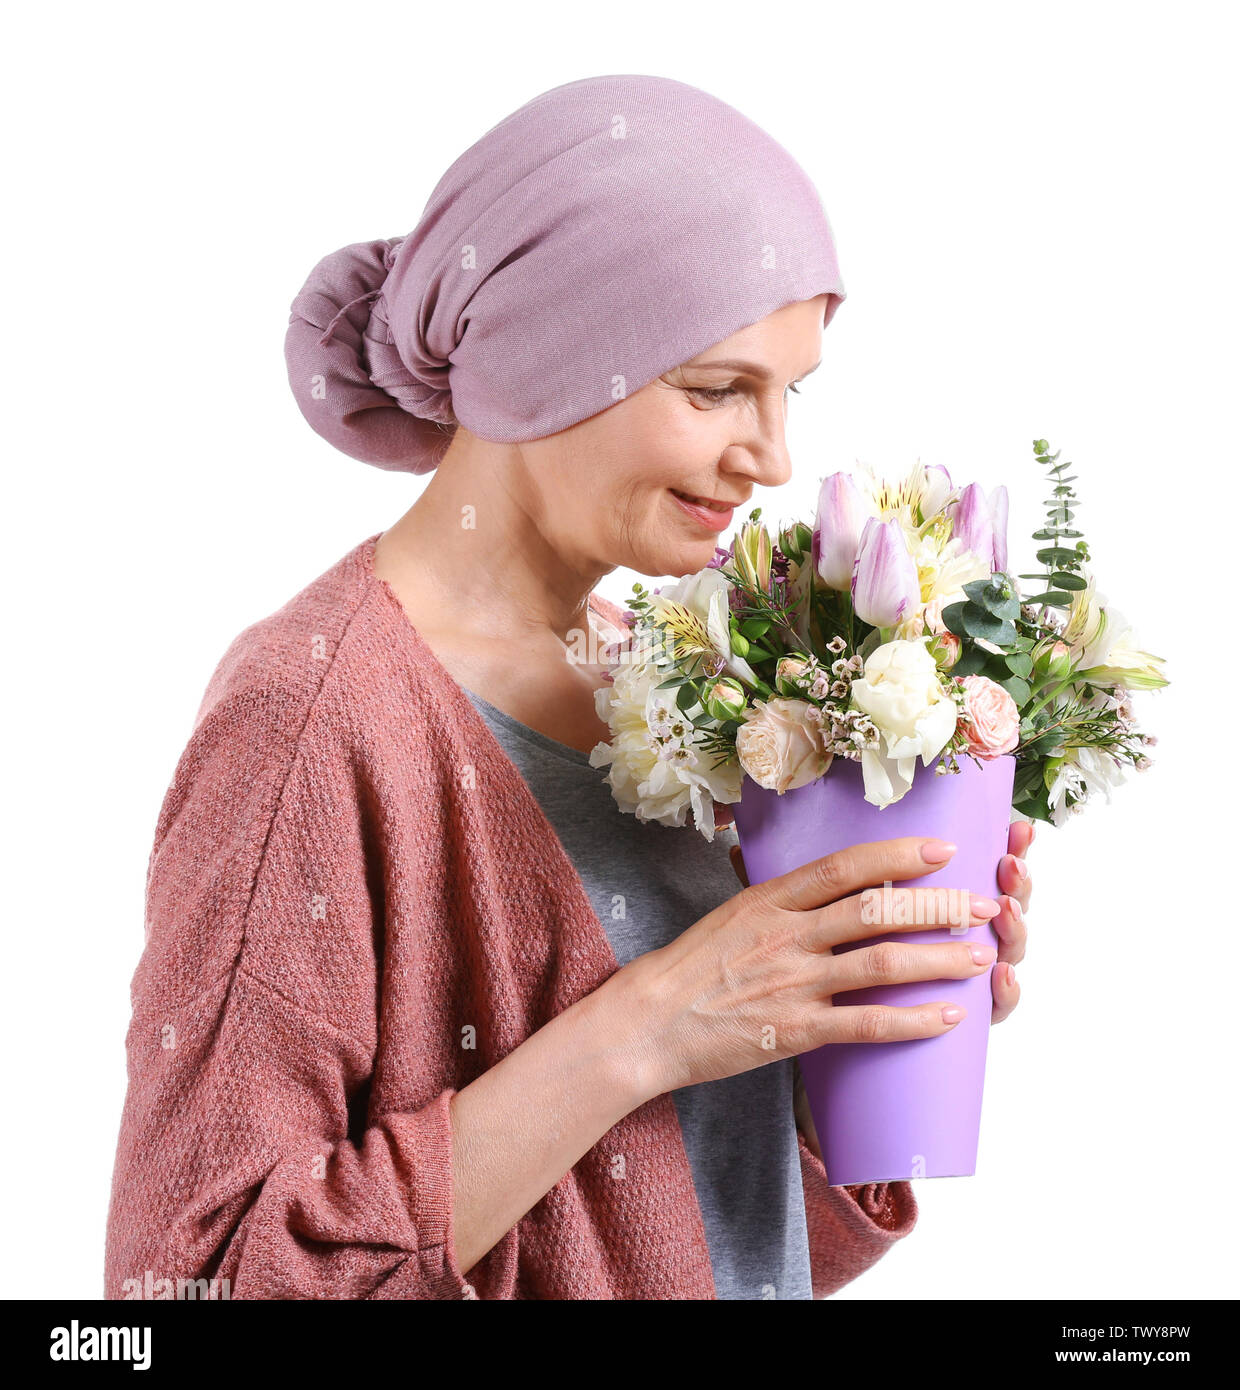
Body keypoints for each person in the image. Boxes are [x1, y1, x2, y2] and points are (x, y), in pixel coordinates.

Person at [104, 73, 1032, 1302]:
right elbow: (185, 1287)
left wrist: (838, 1021)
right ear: (546, 363)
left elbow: (672, 1213)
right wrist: (648, 1023)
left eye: (786, 390)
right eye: (715, 390)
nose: (772, 457)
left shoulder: (659, 677)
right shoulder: (309, 722)